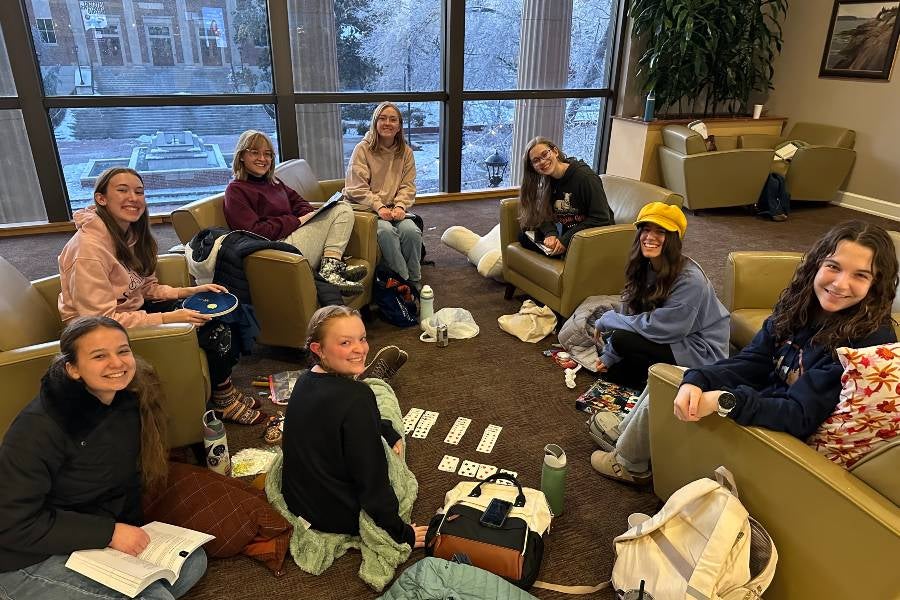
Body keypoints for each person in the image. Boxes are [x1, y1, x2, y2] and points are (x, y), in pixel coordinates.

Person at [592, 220, 899, 485]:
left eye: (860, 275)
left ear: (877, 283)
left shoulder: (867, 341)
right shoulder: (800, 303)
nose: (841, 284)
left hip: (784, 437)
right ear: (818, 264)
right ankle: (629, 438)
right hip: (762, 399)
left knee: (674, 381)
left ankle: (631, 464)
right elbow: (752, 360)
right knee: (679, 377)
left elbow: (800, 416)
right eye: (833, 267)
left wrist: (727, 400)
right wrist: (698, 378)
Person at [0, 316, 208, 600]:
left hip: (86, 538)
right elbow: (13, 524)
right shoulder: (38, 428)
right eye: (99, 356)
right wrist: (109, 533)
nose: (117, 363)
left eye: (123, 351)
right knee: (157, 598)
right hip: (24, 556)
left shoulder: (127, 399)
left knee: (192, 564)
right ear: (72, 368)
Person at [58, 167, 265, 425]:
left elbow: (144, 287)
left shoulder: (130, 234)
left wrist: (189, 291)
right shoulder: (87, 251)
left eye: (139, 192)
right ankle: (223, 399)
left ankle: (223, 385)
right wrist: (170, 318)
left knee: (222, 309)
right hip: (100, 332)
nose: (133, 198)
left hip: (132, 311)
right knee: (216, 330)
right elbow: (100, 321)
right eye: (122, 190)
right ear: (101, 198)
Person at [281, 306, 427, 549]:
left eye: (362, 339)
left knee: (377, 413)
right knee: (384, 403)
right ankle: (378, 379)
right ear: (319, 349)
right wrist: (401, 533)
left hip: (298, 502)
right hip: (339, 517)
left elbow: (331, 420)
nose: (360, 348)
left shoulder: (304, 380)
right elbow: (372, 479)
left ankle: (375, 378)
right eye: (345, 343)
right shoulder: (358, 398)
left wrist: (381, 427)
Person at [593, 202, 729, 389]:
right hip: (673, 337)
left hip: (699, 349)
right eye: (646, 229)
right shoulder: (644, 265)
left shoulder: (691, 280)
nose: (650, 237)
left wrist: (609, 320)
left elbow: (664, 328)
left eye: (661, 231)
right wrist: (611, 353)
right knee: (615, 370)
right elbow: (629, 309)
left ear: (674, 239)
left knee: (620, 340)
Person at [224, 129, 367, 294]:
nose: (263, 159)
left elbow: (302, 205)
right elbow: (254, 232)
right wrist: (296, 221)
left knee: (339, 207)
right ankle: (331, 270)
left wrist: (302, 219)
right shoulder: (235, 191)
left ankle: (331, 267)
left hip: (292, 237)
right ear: (241, 156)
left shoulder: (274, 184)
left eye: (268, 154)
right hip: (273, 251)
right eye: (255, 153)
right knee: (342, 209)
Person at [343, 101, 422, 288]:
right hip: (366, 208)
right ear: (375, 123)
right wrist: (378, 206)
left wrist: (401, 206)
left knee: (411, 231)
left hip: (393, 208)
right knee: (386, 232)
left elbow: (407, 185)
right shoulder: (362, 149)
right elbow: (357, 188)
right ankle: (403, 282)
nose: (388, 123)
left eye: (393, 119)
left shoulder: (406, 152)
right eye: (383, 118)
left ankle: (415, 279)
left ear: (399, 126)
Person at [517, 136, 614, 257]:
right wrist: (550, 234)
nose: (542, 161)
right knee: (523, 235)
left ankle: (561, 254)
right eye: (536, 160)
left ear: (555, 152)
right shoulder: (548, 179)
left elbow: (601, 218)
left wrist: (565, 240)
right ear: (533, 167)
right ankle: (557, 252)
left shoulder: (586, 177)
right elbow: (545, 213)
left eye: (545, 154)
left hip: (592, 236)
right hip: (570, 231)